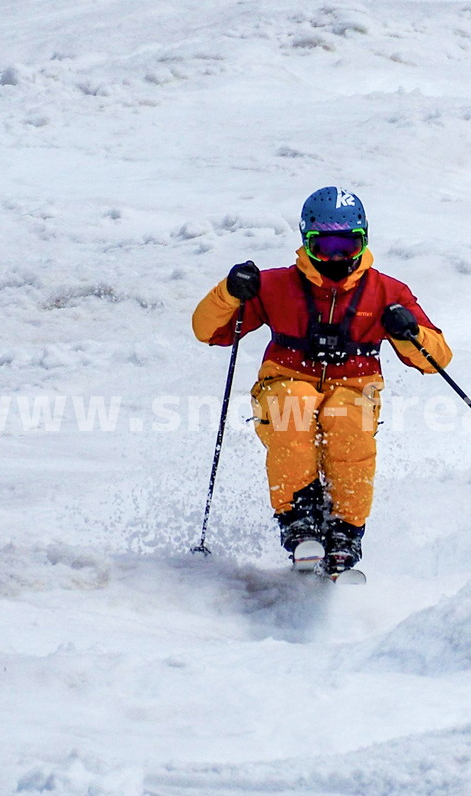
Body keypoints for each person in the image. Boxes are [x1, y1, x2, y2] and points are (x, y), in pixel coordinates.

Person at [191, 186, 453, 576]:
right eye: (325, 245)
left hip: (354, 386)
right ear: (306, 242)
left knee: (347, 421)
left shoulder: (386, 292)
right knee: (293, 407)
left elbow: (438, 358)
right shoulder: (276, 285)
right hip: (285, 380)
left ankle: (346, 531)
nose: (336, 257)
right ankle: (299, 519)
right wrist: (230, 292)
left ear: (363, 241)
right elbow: (206, 330)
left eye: (348, 245)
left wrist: (407, 330)